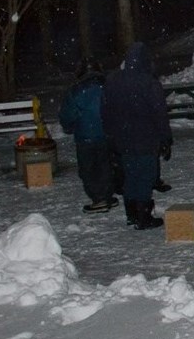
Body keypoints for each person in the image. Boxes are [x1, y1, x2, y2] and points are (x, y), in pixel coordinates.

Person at [102, 42, 172, 230]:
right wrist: (165, 138)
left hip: (123, 139)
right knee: (145, 176)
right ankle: (143, 216)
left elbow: (106, 112)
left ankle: (132, 213)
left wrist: (111, 135)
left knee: (131, 175)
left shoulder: (113, 81)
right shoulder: (149, 83)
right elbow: (159, 114)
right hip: (145, 138)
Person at [59, 59, 116, 214]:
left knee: (89, 170)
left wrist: (68, 126)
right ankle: (107, 195)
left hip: (86, 136)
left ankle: (99, 199)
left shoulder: (76, 91)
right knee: (106, 166)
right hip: (107, 134)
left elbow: (67, 115)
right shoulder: (108, 87)